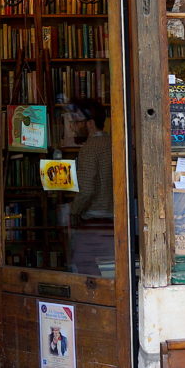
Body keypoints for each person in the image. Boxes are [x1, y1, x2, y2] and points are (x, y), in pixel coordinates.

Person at [68, 99, 113, 276]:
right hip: (116, 222)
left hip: (95, 224)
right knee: (109, 271)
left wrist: (73, 211)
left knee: (85, 270)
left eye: (76, 122)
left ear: (90, 123)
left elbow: (86, 190)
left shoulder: (90, 148)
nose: (73, 127)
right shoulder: (115, 144)